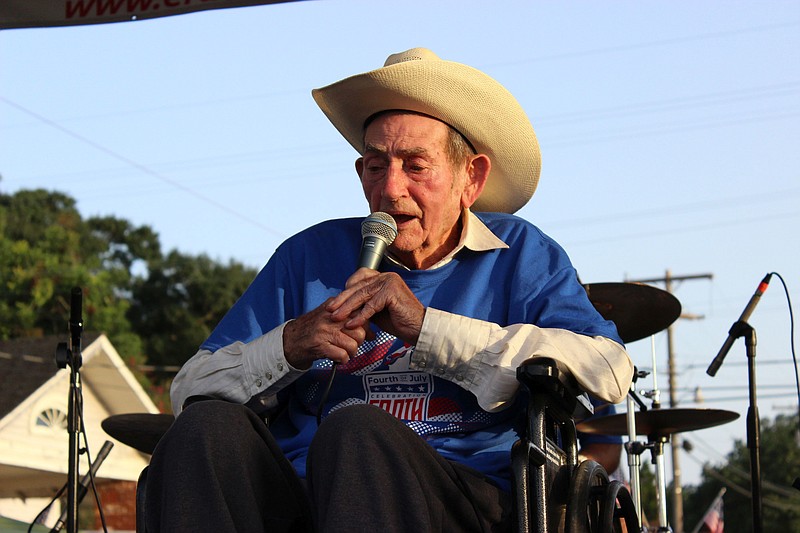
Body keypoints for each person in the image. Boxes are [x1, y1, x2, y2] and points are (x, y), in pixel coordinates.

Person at [144, 47, 634, 532]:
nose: (390, 189)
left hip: (460, 496)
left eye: (415, 166)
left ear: (472, 178)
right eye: (376, 166)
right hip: (303, 497)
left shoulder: (520, 252)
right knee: (205, 430)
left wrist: (427, 329)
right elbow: (189, 389)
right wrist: (289, 346)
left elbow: (609, 368)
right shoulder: (308, 256)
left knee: (357, 430)